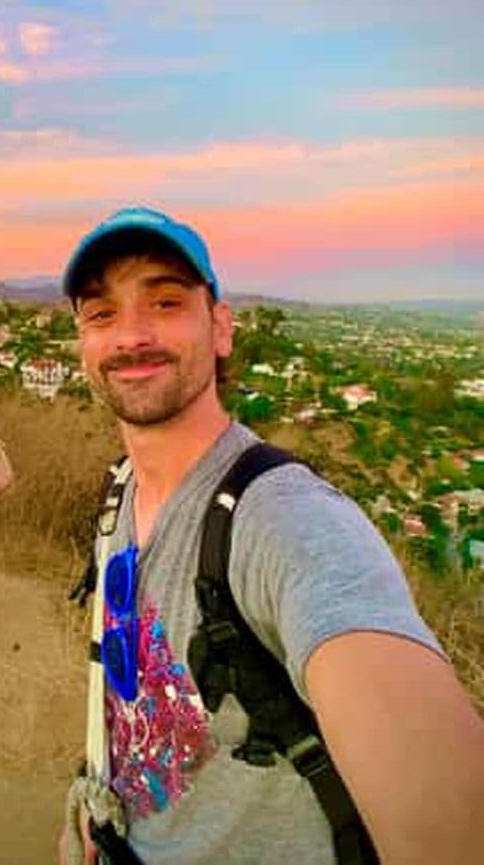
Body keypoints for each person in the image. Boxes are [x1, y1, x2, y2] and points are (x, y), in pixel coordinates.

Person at [58, 207, 484, 865]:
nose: (131, 335)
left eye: (166, 301)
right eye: (101, 313)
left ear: (221, 328)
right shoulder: (120, 491)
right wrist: (99, 804)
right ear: (82, 341)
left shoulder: (284, 519)